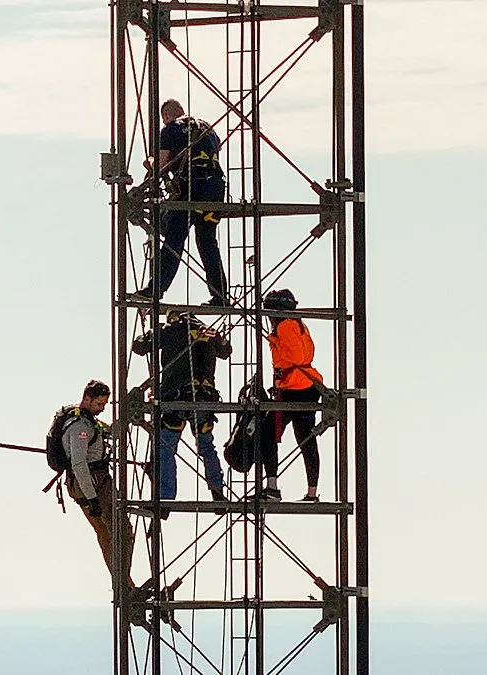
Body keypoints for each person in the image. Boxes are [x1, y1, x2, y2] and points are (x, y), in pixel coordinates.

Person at [129, 98, 228, 306]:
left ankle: (156, 289)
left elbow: (161, 167)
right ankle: (220, 295)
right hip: (215, 189)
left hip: (191, 188)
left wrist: (150, 162)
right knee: (207, 241)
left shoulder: (170, 130)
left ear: (166, 116)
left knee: (174, 239)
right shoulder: (208, 129)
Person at [132, 311, 230, 509]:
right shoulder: (209, 332)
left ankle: (165, 501)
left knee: (165, 448)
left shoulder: (170, 330)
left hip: (177, 397)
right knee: (206, 446)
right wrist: (218, 336)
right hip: (204, 397)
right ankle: (218, 493)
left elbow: (138, 346)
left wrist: (153, 332)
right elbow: (226, 351)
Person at [250, 289, 323, 502]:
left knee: (266, 434)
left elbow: (295, 356)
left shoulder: (286, 326)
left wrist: (274, 339)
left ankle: (272, 487)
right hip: (305, 387)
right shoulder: (297, 323)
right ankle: (311, 492)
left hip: (295, 389)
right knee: (306, 439)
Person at [62, 379, 136, 589]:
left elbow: (110, 432)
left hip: (84, 484)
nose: (101, 409)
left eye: (104, 405)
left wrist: (126, 417)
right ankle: (123, 582)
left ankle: (123, 582)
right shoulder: (80, 426)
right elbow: (79, 463)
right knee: (123, 531)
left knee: (104, 532)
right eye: (98, 404)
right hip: (93, 483)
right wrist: (92, 497)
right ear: (87, 398)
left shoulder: (88, 421)